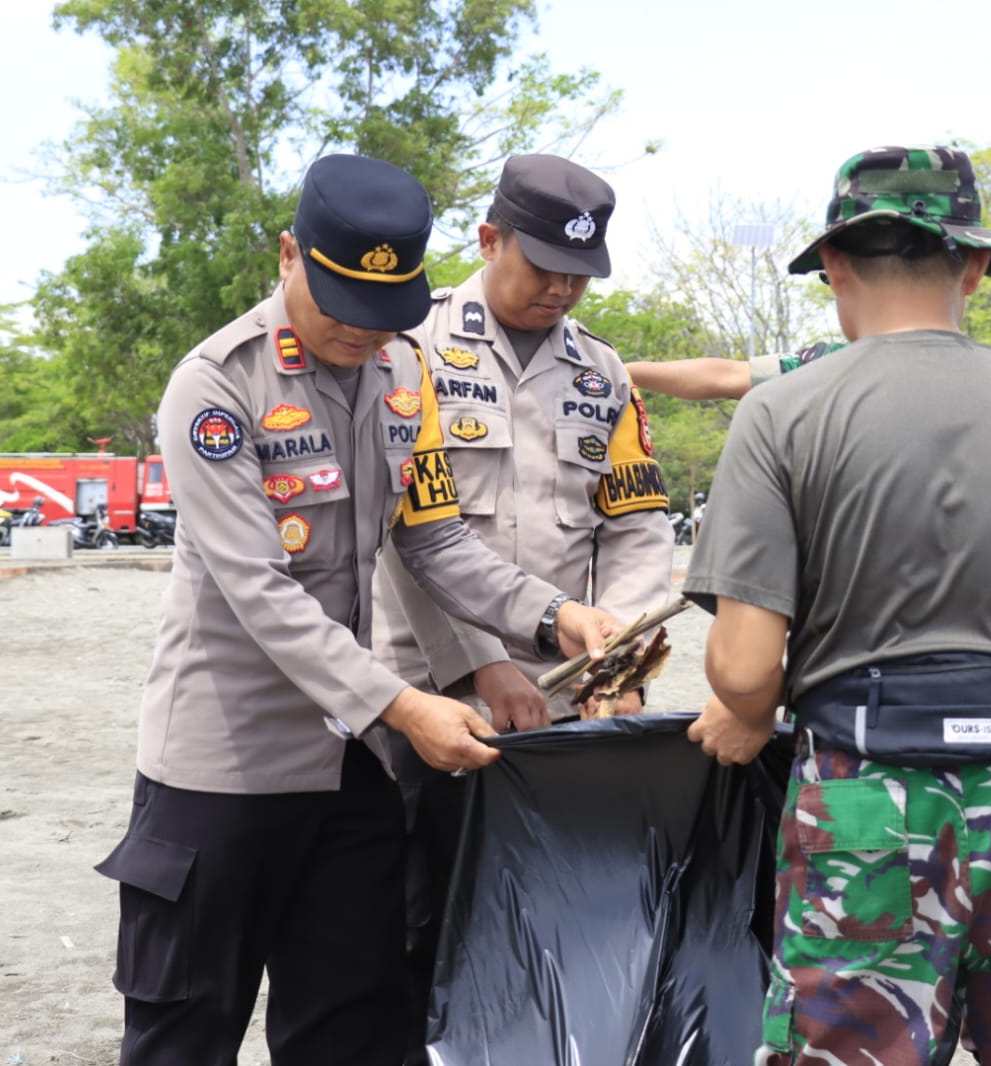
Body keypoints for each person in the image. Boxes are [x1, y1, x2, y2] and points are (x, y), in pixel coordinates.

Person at [94, 153, 622, 1066]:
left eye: (383, 312)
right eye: (341, 301)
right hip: (221, 772)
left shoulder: (399, 374)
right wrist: (406, 705)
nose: (359, 331)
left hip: (348, 768)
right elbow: (257, 587)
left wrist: (552, 619)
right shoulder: (217, 386)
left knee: (357, 1026)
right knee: (185, 1031)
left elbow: (432, 538)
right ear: (290, 255)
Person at [680, 145, 991, 1064]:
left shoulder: (783, 411)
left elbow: (741, 672)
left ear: (836, 265)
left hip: (869, 793)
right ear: (973, 264)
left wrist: (747, 711)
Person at [370, 153, 674, 1057]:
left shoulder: (602, 372)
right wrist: (481, 661)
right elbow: (403, 534)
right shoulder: (408, 346)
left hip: (567, 698)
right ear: (488, 239)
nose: (563, 287)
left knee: (547, 920)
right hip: (432, 696)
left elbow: (634, 527)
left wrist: (617, 668)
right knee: (418, 915)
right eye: (542, 264)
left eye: (580, 272)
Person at [624, 340, 844, 401]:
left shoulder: (831, 362)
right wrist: (618, 371)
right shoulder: (826, 361)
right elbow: (725, 376)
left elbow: (726, 377)